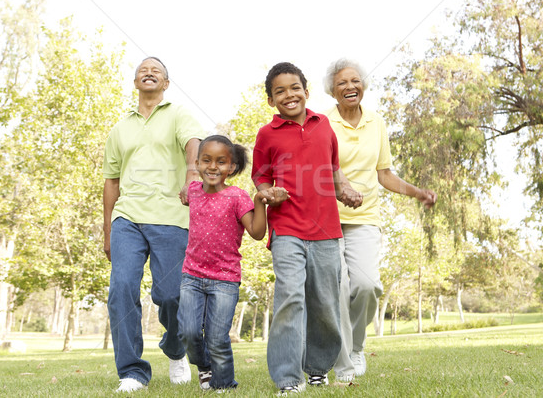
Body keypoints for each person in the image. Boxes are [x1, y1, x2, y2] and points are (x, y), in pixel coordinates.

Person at [323, 58, 437, 382]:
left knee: (367, 284)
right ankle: (341, 357)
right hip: (328, 219)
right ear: (332, 91)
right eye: (343, 82)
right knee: (339, 288)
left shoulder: (376, 122)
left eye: (355, 81)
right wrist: (340, 185)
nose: (350, 86)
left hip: (365, 217)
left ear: (363, 85)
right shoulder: (322, 122)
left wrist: (417, 193)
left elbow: (384, 174)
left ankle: (356, 346)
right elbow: (321, 168)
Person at [251, 62, 362, 394]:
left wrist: (345, 190)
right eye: (280, 91)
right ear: (271, 100)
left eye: (294, 88)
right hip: (286, 229)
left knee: (326, 302)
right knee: (290, 298)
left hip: (327, 230)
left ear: (306, 90)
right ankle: (287, 377)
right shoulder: (267, 134)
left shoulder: (324, 124)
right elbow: (259, 176)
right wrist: (267, 192)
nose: (289, 95)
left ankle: (316, 367)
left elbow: (333, 169)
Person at [102, 57, 204, 393]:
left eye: (156, 71)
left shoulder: (177, 114)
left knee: (171, 295)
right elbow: (111, 182)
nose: (148, 72)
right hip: (127, 218)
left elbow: (194, 143)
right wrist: (107, 230)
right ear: (135, 84)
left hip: (171, 217)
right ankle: (132, 372)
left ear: (166, 83)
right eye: (142, 70)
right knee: (121, 291)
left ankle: (175, 349)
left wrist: (192, 173)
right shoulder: (120, 128)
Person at [178, 135, 286, 392]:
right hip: (191, 275)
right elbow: (184, 193)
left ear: (232, 168)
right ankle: (205, 367)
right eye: (206, 160)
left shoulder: (237, 197)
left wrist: (260, 201)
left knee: (216, 338)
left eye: (221, 162)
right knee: (189, 333)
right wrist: (183, 188)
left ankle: (224, 384)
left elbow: (258, 233)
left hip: (225, 278)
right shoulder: (192, 191)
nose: (213, 167)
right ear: (197, 163)